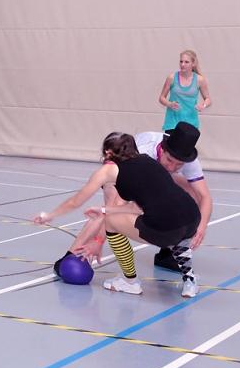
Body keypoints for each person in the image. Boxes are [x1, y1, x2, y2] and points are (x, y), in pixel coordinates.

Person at [34, 132, 202, 298]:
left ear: (108, 153)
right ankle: (190, 281)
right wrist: (105, 210)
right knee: (175, 229)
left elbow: (75, 201)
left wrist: (50, 215)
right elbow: (138, 208)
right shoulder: (149, 161)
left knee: (112, 222)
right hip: (192, 219)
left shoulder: (108, 171)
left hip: (167, 231)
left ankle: (130, 282)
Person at [133, 121, 212, 271]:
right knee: (116, 202)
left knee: (192, 193)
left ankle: (167, 254)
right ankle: (89, 245)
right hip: (125, 170)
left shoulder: (189, 160)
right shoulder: (143, 151)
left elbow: (205, 196)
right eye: (169, 160)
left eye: (179, 164)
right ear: (162, 149)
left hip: (158, 173)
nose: (172, 167)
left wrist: (201, 227)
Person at [159, 50, 211, 130]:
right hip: (172, 123)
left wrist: (203, 105)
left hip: (191, 123)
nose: (182, 64)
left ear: (193, 64)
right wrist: (169, 104)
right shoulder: (171, 78)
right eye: (181, 61)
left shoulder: (200, 80)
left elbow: (208, 99)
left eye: (186, 62)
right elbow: (161, 98)